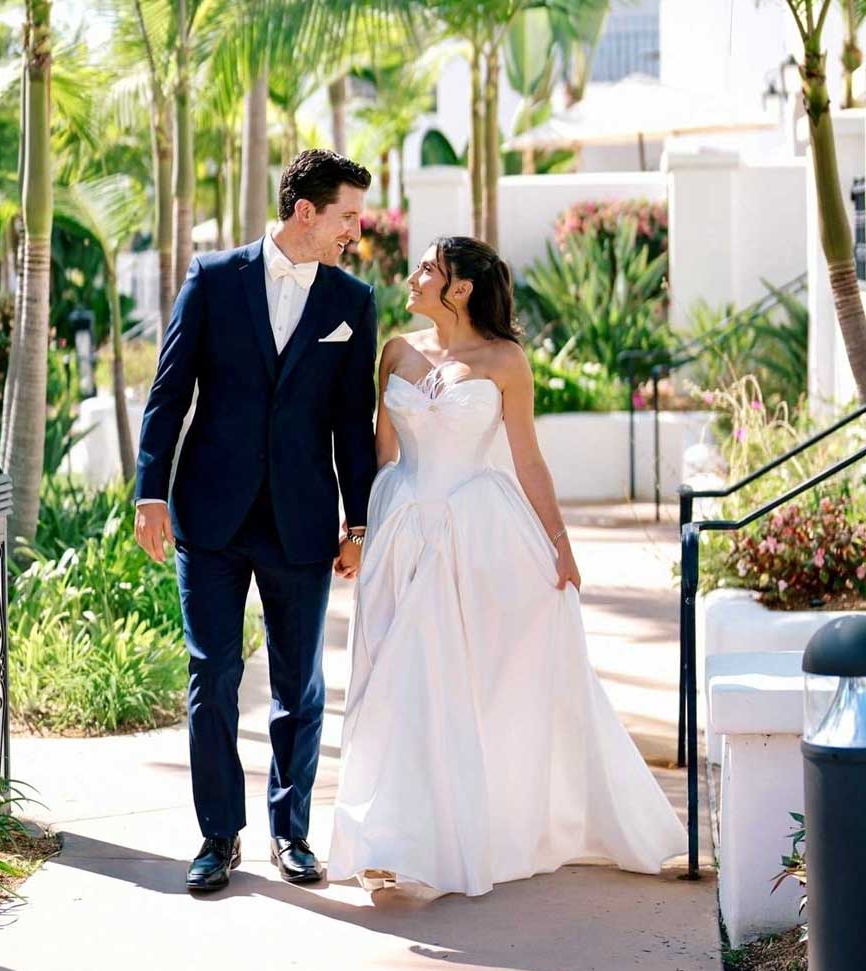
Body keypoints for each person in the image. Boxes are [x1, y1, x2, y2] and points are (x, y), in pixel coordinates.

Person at [327, 236, 687, 897]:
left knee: (452, 681)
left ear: (459, 288)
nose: (414, 276)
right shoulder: (396, 353)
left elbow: (528, 461)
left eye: (428, 269)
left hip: (477, 533)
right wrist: (363, 534)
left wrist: (562, 546)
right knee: (391, 680)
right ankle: (391, 834)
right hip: (403, 527)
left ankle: (443, 835)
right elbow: (379, 452)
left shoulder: (505, 361)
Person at [134, 149, 377, 892]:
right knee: (213, 672)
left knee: (298, 682)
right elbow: (169, 390)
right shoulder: (213, 280)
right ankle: (217, 836)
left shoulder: (352, 301)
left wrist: (359, 522)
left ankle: (291, 831)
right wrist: (151, 492)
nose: (355, 232)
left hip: (302, 522)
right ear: (306, 211)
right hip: (210, 514)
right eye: (348, 216)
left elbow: (351, 424)